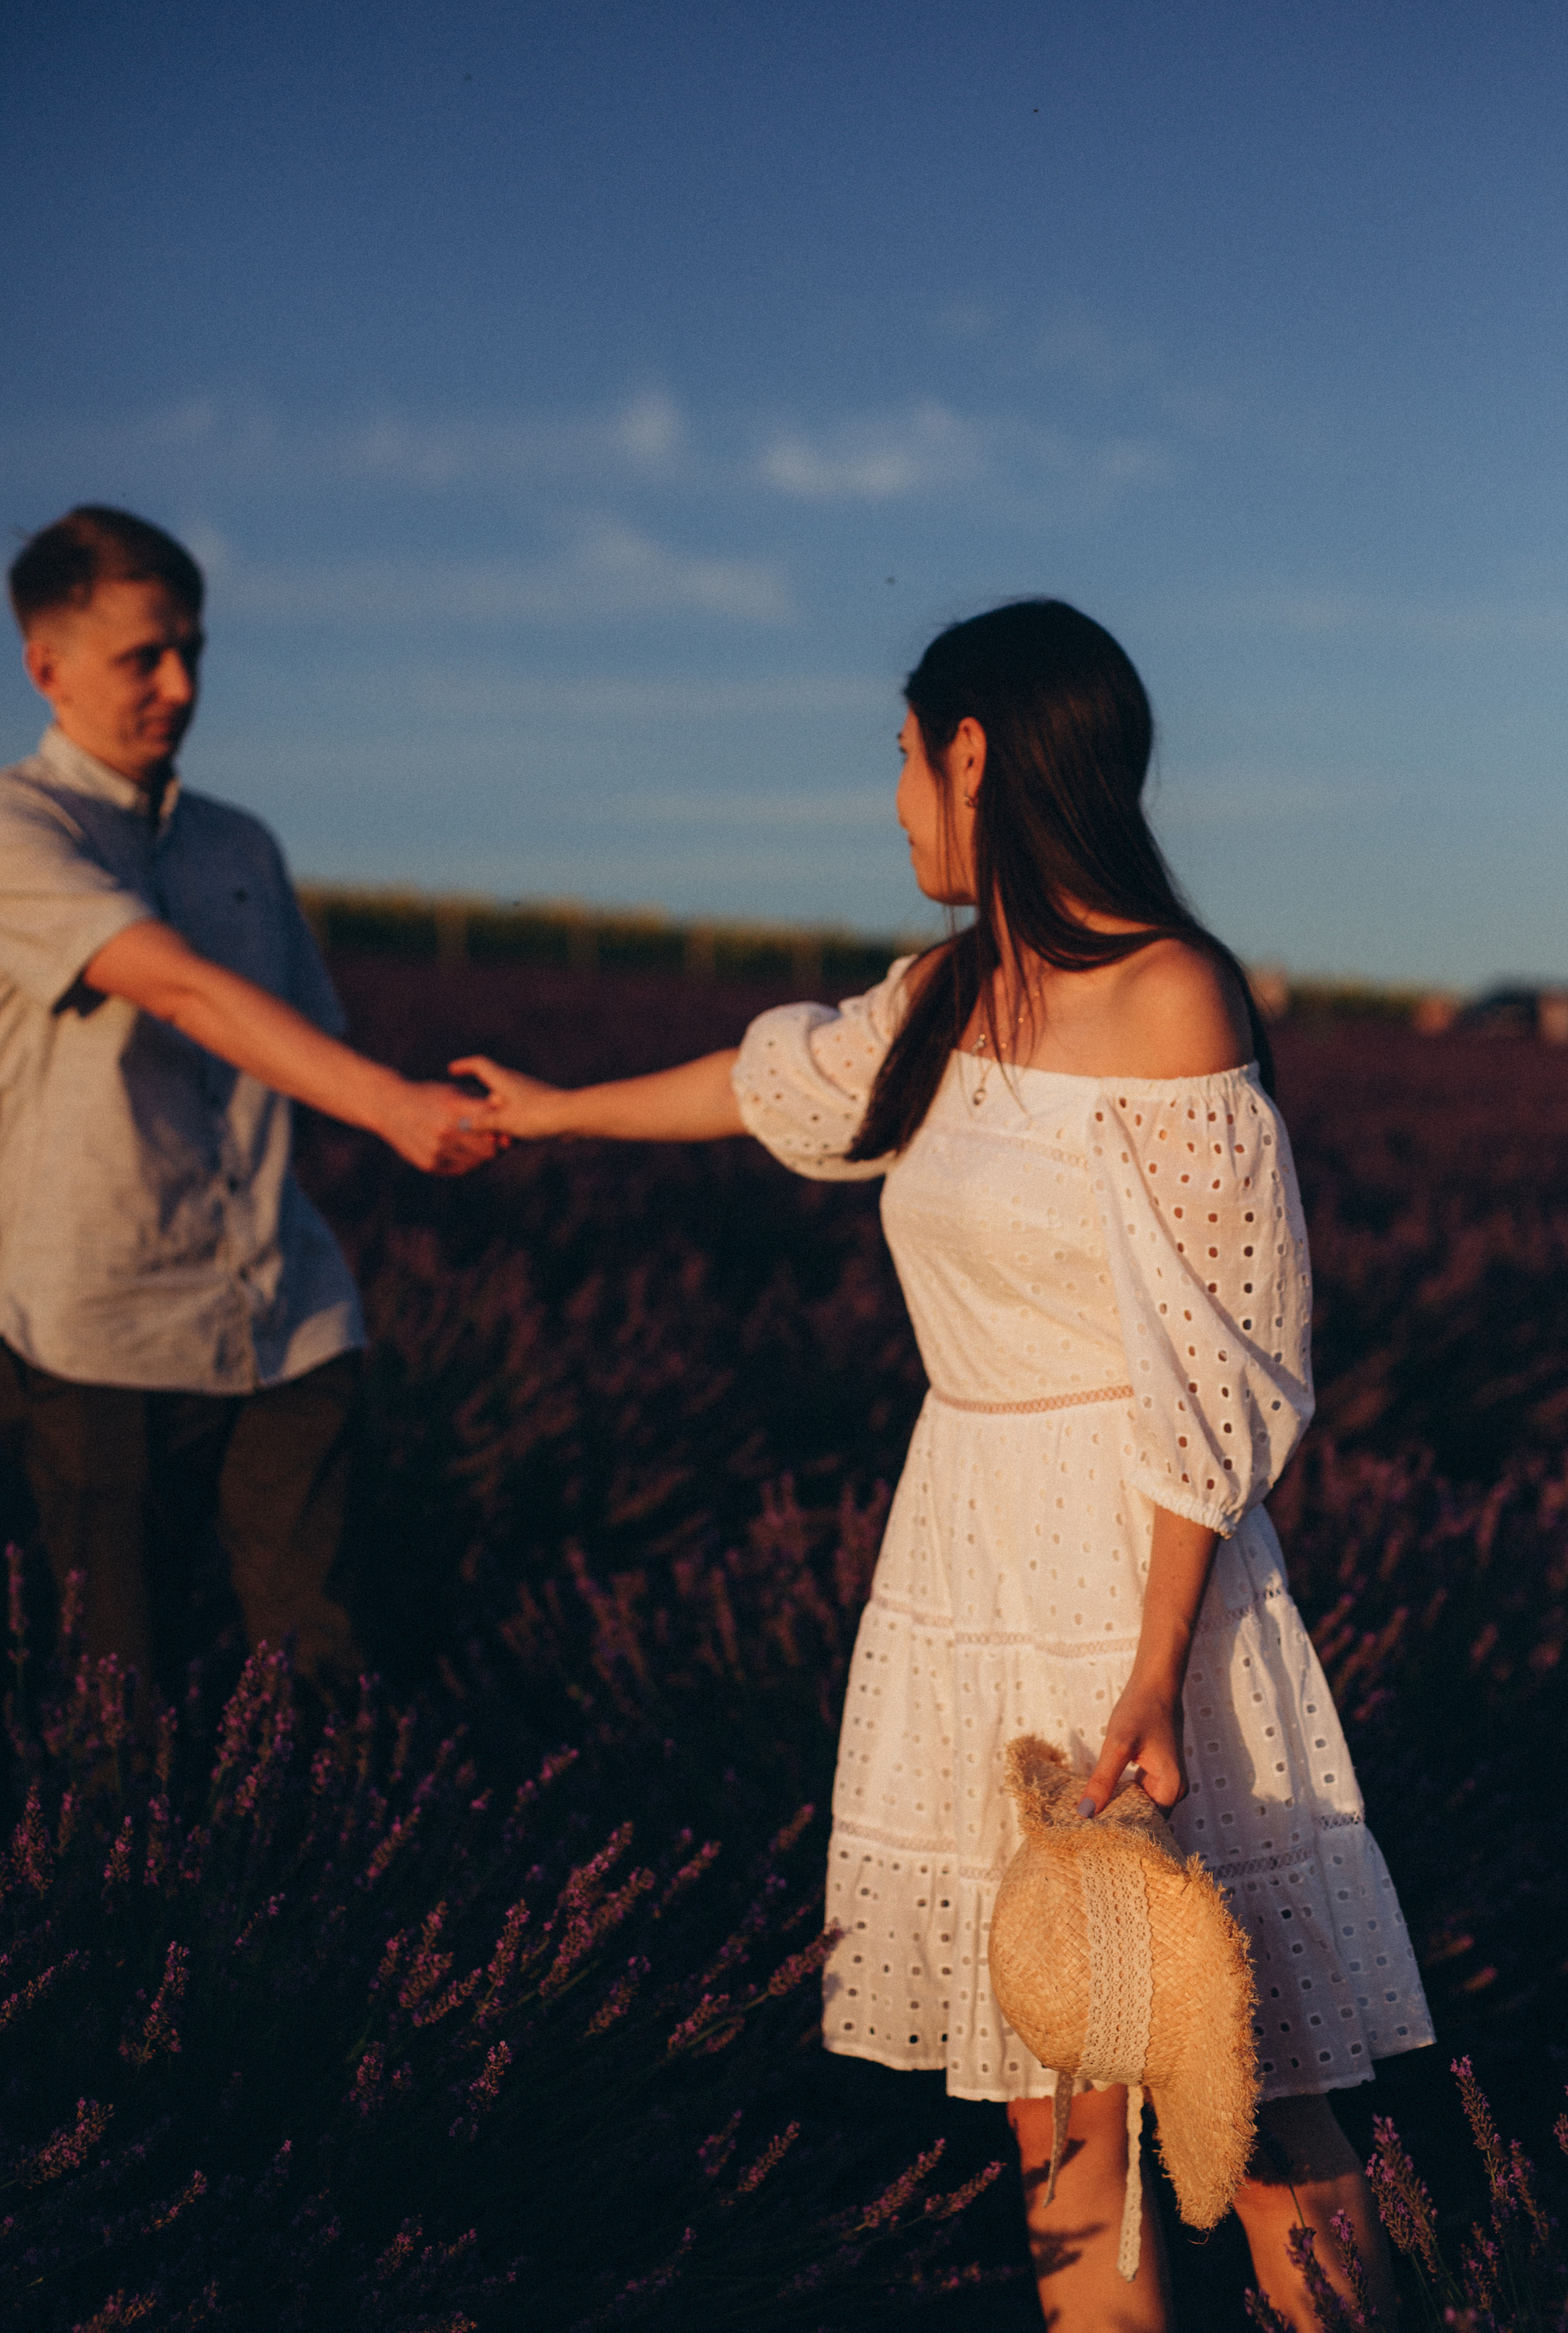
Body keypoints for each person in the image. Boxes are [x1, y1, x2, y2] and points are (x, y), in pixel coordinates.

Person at [454, 600, 1434, 2327]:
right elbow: (778, 1085)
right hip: (969, 1556)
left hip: (1146, 1574)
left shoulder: (1169, 996)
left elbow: (1217, 1375)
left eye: (903, 757)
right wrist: (546, 1109)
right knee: (1060, 2083)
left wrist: (1153, 1674)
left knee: (1251, 2076)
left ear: (972, 750)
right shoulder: (942, 997)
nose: (893, 798)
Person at [0, 505, 501, 1709]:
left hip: (287, 1309)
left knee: (330, 1659)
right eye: (142, 658)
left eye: (193, 651)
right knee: (121, 1686)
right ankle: (151, 1898)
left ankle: (345, 1880)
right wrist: (393, 1107)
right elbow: (177, 987)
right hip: (100, 1328)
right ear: (46, 667)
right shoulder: (19, 830)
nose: (179, 684)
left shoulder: (240, 843)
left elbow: (294, 1044)